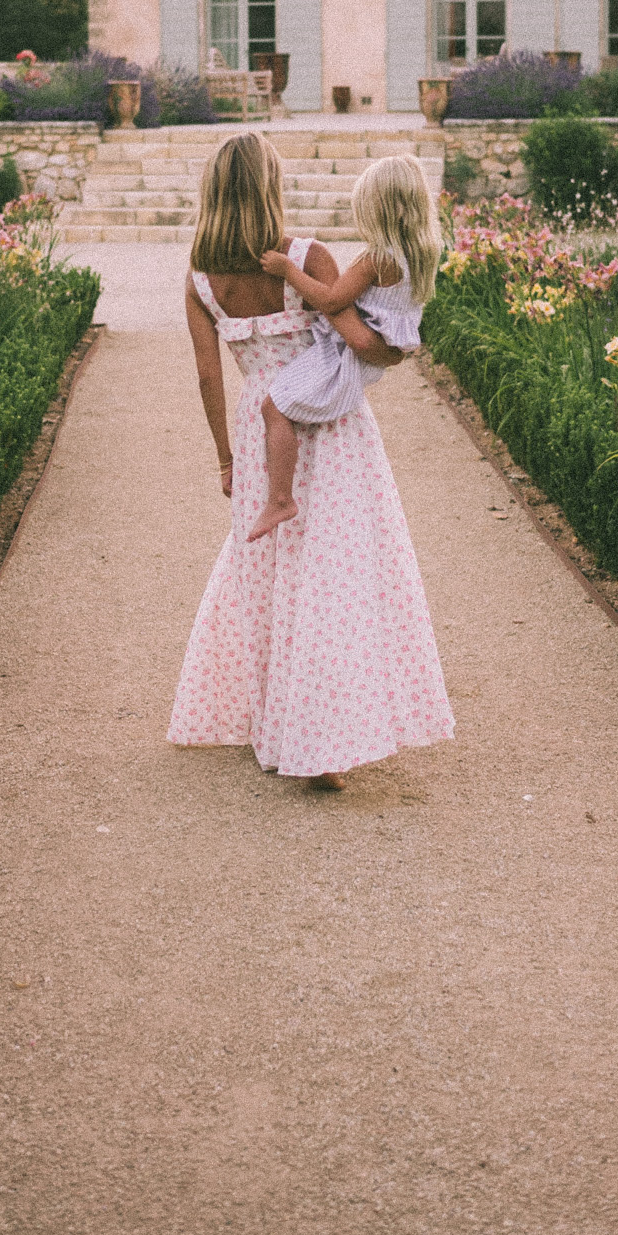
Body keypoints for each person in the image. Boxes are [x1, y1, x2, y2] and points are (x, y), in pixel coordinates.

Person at [169, 132, 454, 792]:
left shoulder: (200, 281)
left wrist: (227, 459)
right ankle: (321, 742)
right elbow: (363, 342)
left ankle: (279, 730)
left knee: (267, 584)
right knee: (333, 582)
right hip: (331, 432)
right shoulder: (307, 257)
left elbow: (208, 378)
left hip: (261, 426)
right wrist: (397, 353)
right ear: (272, 187)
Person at [245, 154, 439, 541]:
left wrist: (290, 271)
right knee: (308, 411)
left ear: (378, 210)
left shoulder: (376, 258)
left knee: (274, 405)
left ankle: (281, 498)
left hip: (348, 353)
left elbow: (332, 301)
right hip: (373, 354)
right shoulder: (418, 255)